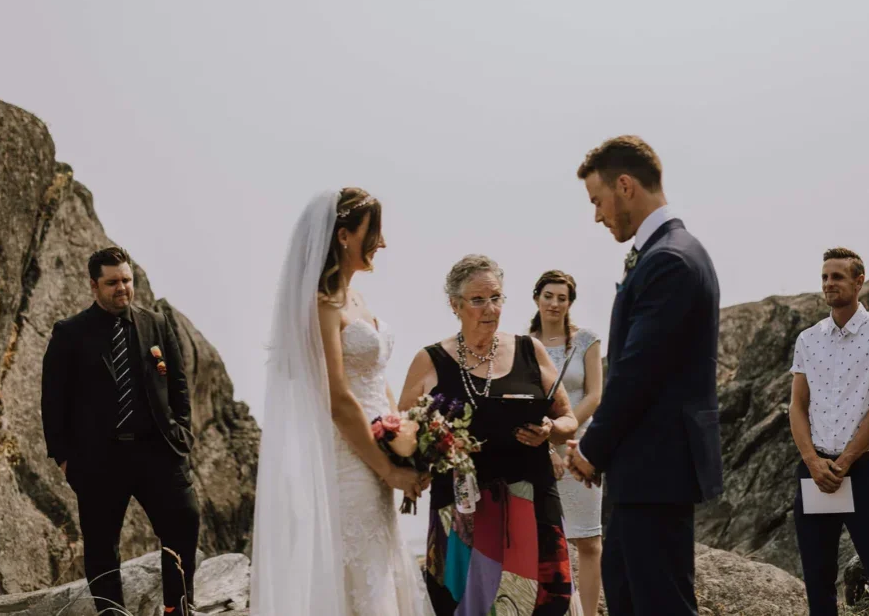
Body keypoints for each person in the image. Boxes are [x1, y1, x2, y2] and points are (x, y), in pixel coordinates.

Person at [250, 188, 428, 616]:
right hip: (349, 456)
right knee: (360, 571)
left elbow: (376, 379)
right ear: (344, 236)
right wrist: (385, 467)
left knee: (380, 564)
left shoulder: (357, 299)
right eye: (374, 232)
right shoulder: (322, 305)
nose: (381, 243)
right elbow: (337, 397)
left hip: (376, 443)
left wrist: (405, 437)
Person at [565, 135, 723, 616]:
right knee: (631, 599)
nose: (596, 215)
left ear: (626, 186)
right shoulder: (665, 252)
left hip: (657, 467)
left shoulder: (669, 260)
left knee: (661, 604)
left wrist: (592, 449)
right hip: (644, 472)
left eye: (598, 200)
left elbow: (638, 371)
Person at [400, 254, 582, 616]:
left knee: (544, 602)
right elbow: (405, 430)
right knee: (463, 603)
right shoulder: (430, 359)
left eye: (497, 298)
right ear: (455, 305)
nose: (491, 308)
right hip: (461, 505)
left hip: (531, 496)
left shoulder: (531, 350)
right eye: (478, 300)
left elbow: (568, 420)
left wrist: (549, 430)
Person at [41, 246, 201, 616]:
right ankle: (111, 613)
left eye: (126, 280)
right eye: (112, 282)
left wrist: (182, 436)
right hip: (99, 458)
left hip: (158, 451)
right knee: (101, 545)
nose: (122, 289)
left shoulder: (156, 323)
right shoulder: (69, 333)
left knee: (184, 519)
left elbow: (178, 385)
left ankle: (177, 608)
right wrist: (64, 459)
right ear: (94, 286)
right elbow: (53, 401)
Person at [789, 247, 869, 616]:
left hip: (866, 469)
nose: (828, 284)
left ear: (859, 281)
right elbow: (797, 406)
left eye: (837, 277)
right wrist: (812, 461)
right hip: (815, 470)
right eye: (825, 277)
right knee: (818, 579)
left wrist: (845, 462)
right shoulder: (808, 339)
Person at [530, 270, 604, 616]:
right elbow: (524, 404)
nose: (555, 303)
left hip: (581, 449)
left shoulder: (587, 341)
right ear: (537, 299)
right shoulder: (524, 345)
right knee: (542, 541)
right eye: (548, 295)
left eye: (562, 297)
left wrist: (564, 432)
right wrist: (547, 447)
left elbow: (595, 394)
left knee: (589, 541)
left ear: (570, 303)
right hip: (538, 450)